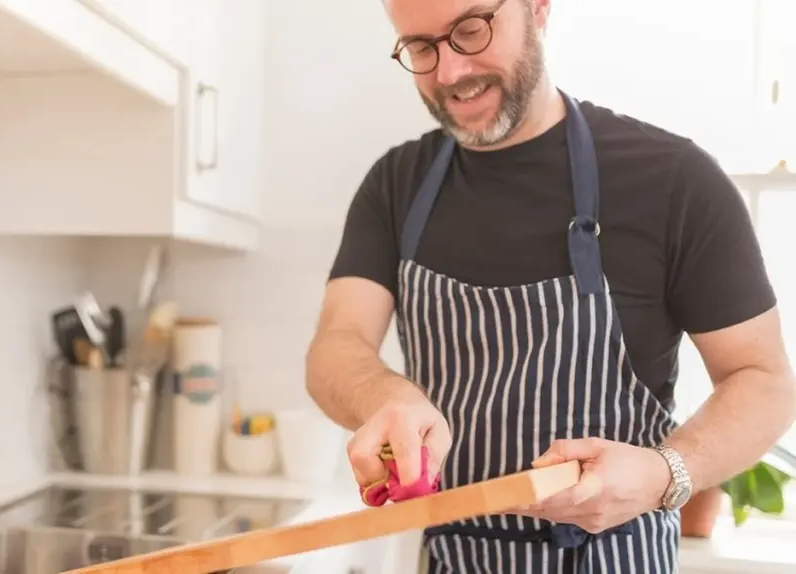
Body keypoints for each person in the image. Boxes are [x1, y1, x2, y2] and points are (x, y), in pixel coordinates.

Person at [304, 0, 796, 572]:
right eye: (420, 48)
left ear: (538, 8)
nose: (449, 73)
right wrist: (385, 397)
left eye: (470, 30)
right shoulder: (396, 185)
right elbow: (336, 346)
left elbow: (764, 383)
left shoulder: (675, 180)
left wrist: (666, 472)